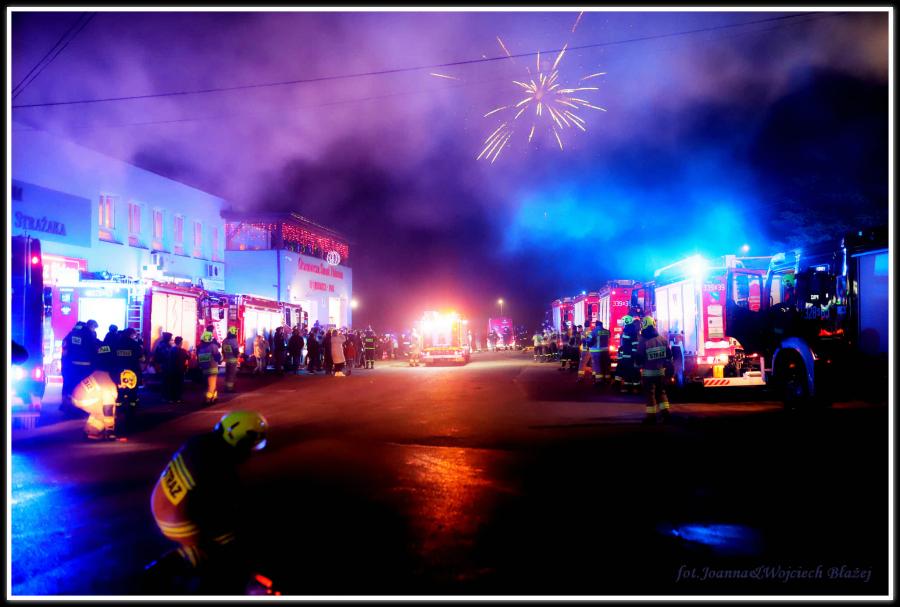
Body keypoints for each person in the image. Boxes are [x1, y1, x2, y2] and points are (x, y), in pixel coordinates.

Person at [146, 411, 268, 593]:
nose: (250, 453)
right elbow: (215, 512)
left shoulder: (199, 442)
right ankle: (175, 565)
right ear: (240, 443)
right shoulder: (219, 469)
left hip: (160, 500)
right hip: (175, 522)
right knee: (226, 546)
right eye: (249, 447)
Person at [635, 316, 673, 424]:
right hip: (661, 373)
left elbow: (639, 358)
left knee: (650, 395)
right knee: (661, 393)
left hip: (648, 374)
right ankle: (666, 414)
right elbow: (669, 356)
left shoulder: (643, 341)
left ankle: (651, 417)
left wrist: (637, 366)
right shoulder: (662, 339)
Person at [61, 320, 100, 415]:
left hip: (71, 365)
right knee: (83, 386)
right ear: (90, 326)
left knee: (69, 385)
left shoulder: (71, 334)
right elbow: (95, 347)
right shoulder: (88, 334)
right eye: (94, 327)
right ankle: (81, 406)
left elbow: (65, 348)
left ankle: (66, 405)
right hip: (85, 366)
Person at [71, 370, 121, 441]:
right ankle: (93, 432)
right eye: (124, 385)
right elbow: (108, 409)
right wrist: (110, 430)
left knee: (99, 406)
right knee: (108, 410)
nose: (123, 387)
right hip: (84, 400)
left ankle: (88, 430)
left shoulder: (102, 373)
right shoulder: (110, 387)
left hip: (75, 395)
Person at [114, 327, 145, 435]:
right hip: (132, 373)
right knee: (132, 393)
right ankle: (132, 410)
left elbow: (111, 356)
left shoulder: (117, 343)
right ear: (131, 335)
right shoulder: (134, 344)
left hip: (119, 372)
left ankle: (118, 409)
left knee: (119, 392)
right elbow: (142, 358)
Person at [197, 331, 222, 405]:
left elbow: (199, 359)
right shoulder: (213, 346)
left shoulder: (200, 347)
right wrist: (219, 359)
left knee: (207, 385)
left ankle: (214, 397)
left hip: (204, 369)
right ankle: (208, 399)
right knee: (212, 385)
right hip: (212, 369)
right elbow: (217, 357)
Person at [615, 316, 639, 393]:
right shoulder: (628, 330)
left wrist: (633, 355)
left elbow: (634, 344)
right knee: (627, 371)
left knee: (630, 371)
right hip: (626, 355)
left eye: (623, 321)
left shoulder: (630, 331)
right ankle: (628, 387)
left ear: (626, 322)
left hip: (629, 356)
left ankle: (631, 388)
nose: (621, 323)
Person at [166, 336, 190, 403]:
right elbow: (188, 357)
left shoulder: (170, 350)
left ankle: (171, 398)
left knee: (172, 384)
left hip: (171, 370)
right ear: (180, 342)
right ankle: (178, 398)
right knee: (179, 385)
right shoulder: (183, 351)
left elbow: (167, 359)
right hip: (180, 370)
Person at [591, 320, 611, 388]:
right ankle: (607, 380)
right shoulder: (607, 331)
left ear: (596, 325)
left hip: (597, 351)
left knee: (598, 366)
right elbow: (609, 337)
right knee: (605, 365)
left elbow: (589, 340)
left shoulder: (594, 331)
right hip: (606, 351)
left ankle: (599, 381)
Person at [222, 327, 240, 393]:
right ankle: (230, 388)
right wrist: (238, 355)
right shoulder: (234, 340)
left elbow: (223, 351)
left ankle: (226, 387)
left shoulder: (225, 340)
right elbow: (235, 350)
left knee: (227, 374)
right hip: (233, 360)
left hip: (227, 360)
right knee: (231, 375)